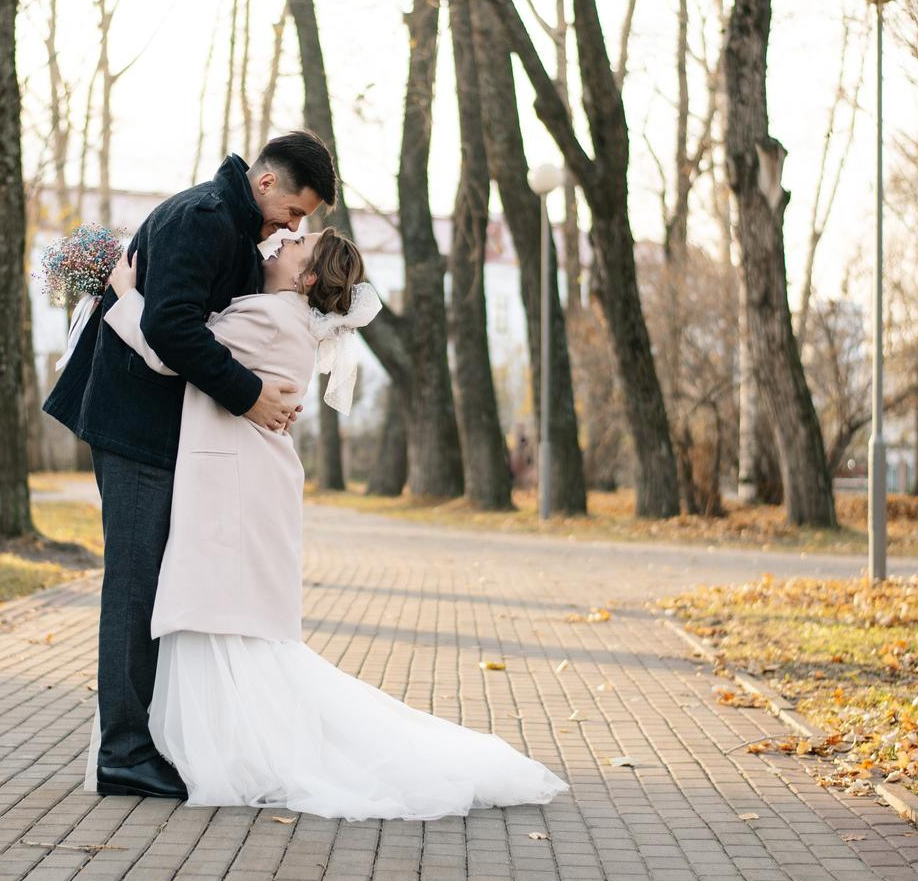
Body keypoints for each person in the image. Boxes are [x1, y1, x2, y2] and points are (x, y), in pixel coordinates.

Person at [93, 226, 569, 821]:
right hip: (242, 483)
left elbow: (171, 350)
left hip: (236, 490)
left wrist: (123, 292)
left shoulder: (272, 316)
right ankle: (217, 747)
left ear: (307, 276)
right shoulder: (280, 312)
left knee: (223, 619)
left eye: (296, 244)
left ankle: (230, 751)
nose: (280, 242)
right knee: (223, 623)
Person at [42, 133, 329, 799]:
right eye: (293, 211)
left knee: (151, 583)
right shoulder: (204, 218)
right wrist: (251, 395)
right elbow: (171, 330)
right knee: (135, 585)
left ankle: (146, 739)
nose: (294, 227)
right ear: (264, 183)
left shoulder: (232, 226)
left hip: (157, 426)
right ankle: (123, 751)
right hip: (132, 423)